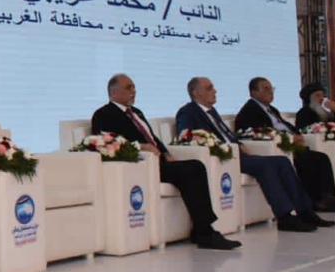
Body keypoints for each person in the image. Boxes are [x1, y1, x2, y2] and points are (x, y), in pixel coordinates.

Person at [91, 74, 239, 250]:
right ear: (114, 92)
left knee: (195, 166)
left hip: (159, 162)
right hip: (140, 166)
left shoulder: (136, 112)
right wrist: (141, 147)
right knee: (193, 169)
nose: (134, 91)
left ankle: (202, 230)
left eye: (134, 87)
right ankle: (205, 233)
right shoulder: (103, 114)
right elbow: (108, 142)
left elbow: (152, 137)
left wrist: (166, 152)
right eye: (129, 87)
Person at [175, 77, 332, 232]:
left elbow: (226, 134)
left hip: (237, 154)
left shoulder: (212, 112)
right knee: (265, 166)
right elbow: (187, 137)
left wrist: (239, 144)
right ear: (196, 93)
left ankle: (305, 211)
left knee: (282, 161)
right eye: (209, 88)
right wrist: (224, 148)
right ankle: (284, 217)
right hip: (222, 158)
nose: (215, 91)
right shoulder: (188, 112)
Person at [234, 78, 335, 213]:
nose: (271, 92)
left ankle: (327, 198)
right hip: (278, 148)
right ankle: (314, 201)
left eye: (272, 88)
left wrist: (297, 135)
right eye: (266, 88)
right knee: (307, 160)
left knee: (321, 158)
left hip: (290, 145)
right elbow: (258, 132)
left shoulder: (271, 109)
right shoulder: (249, 111)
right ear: (253, 92)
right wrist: (289, 138)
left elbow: (285, 125)